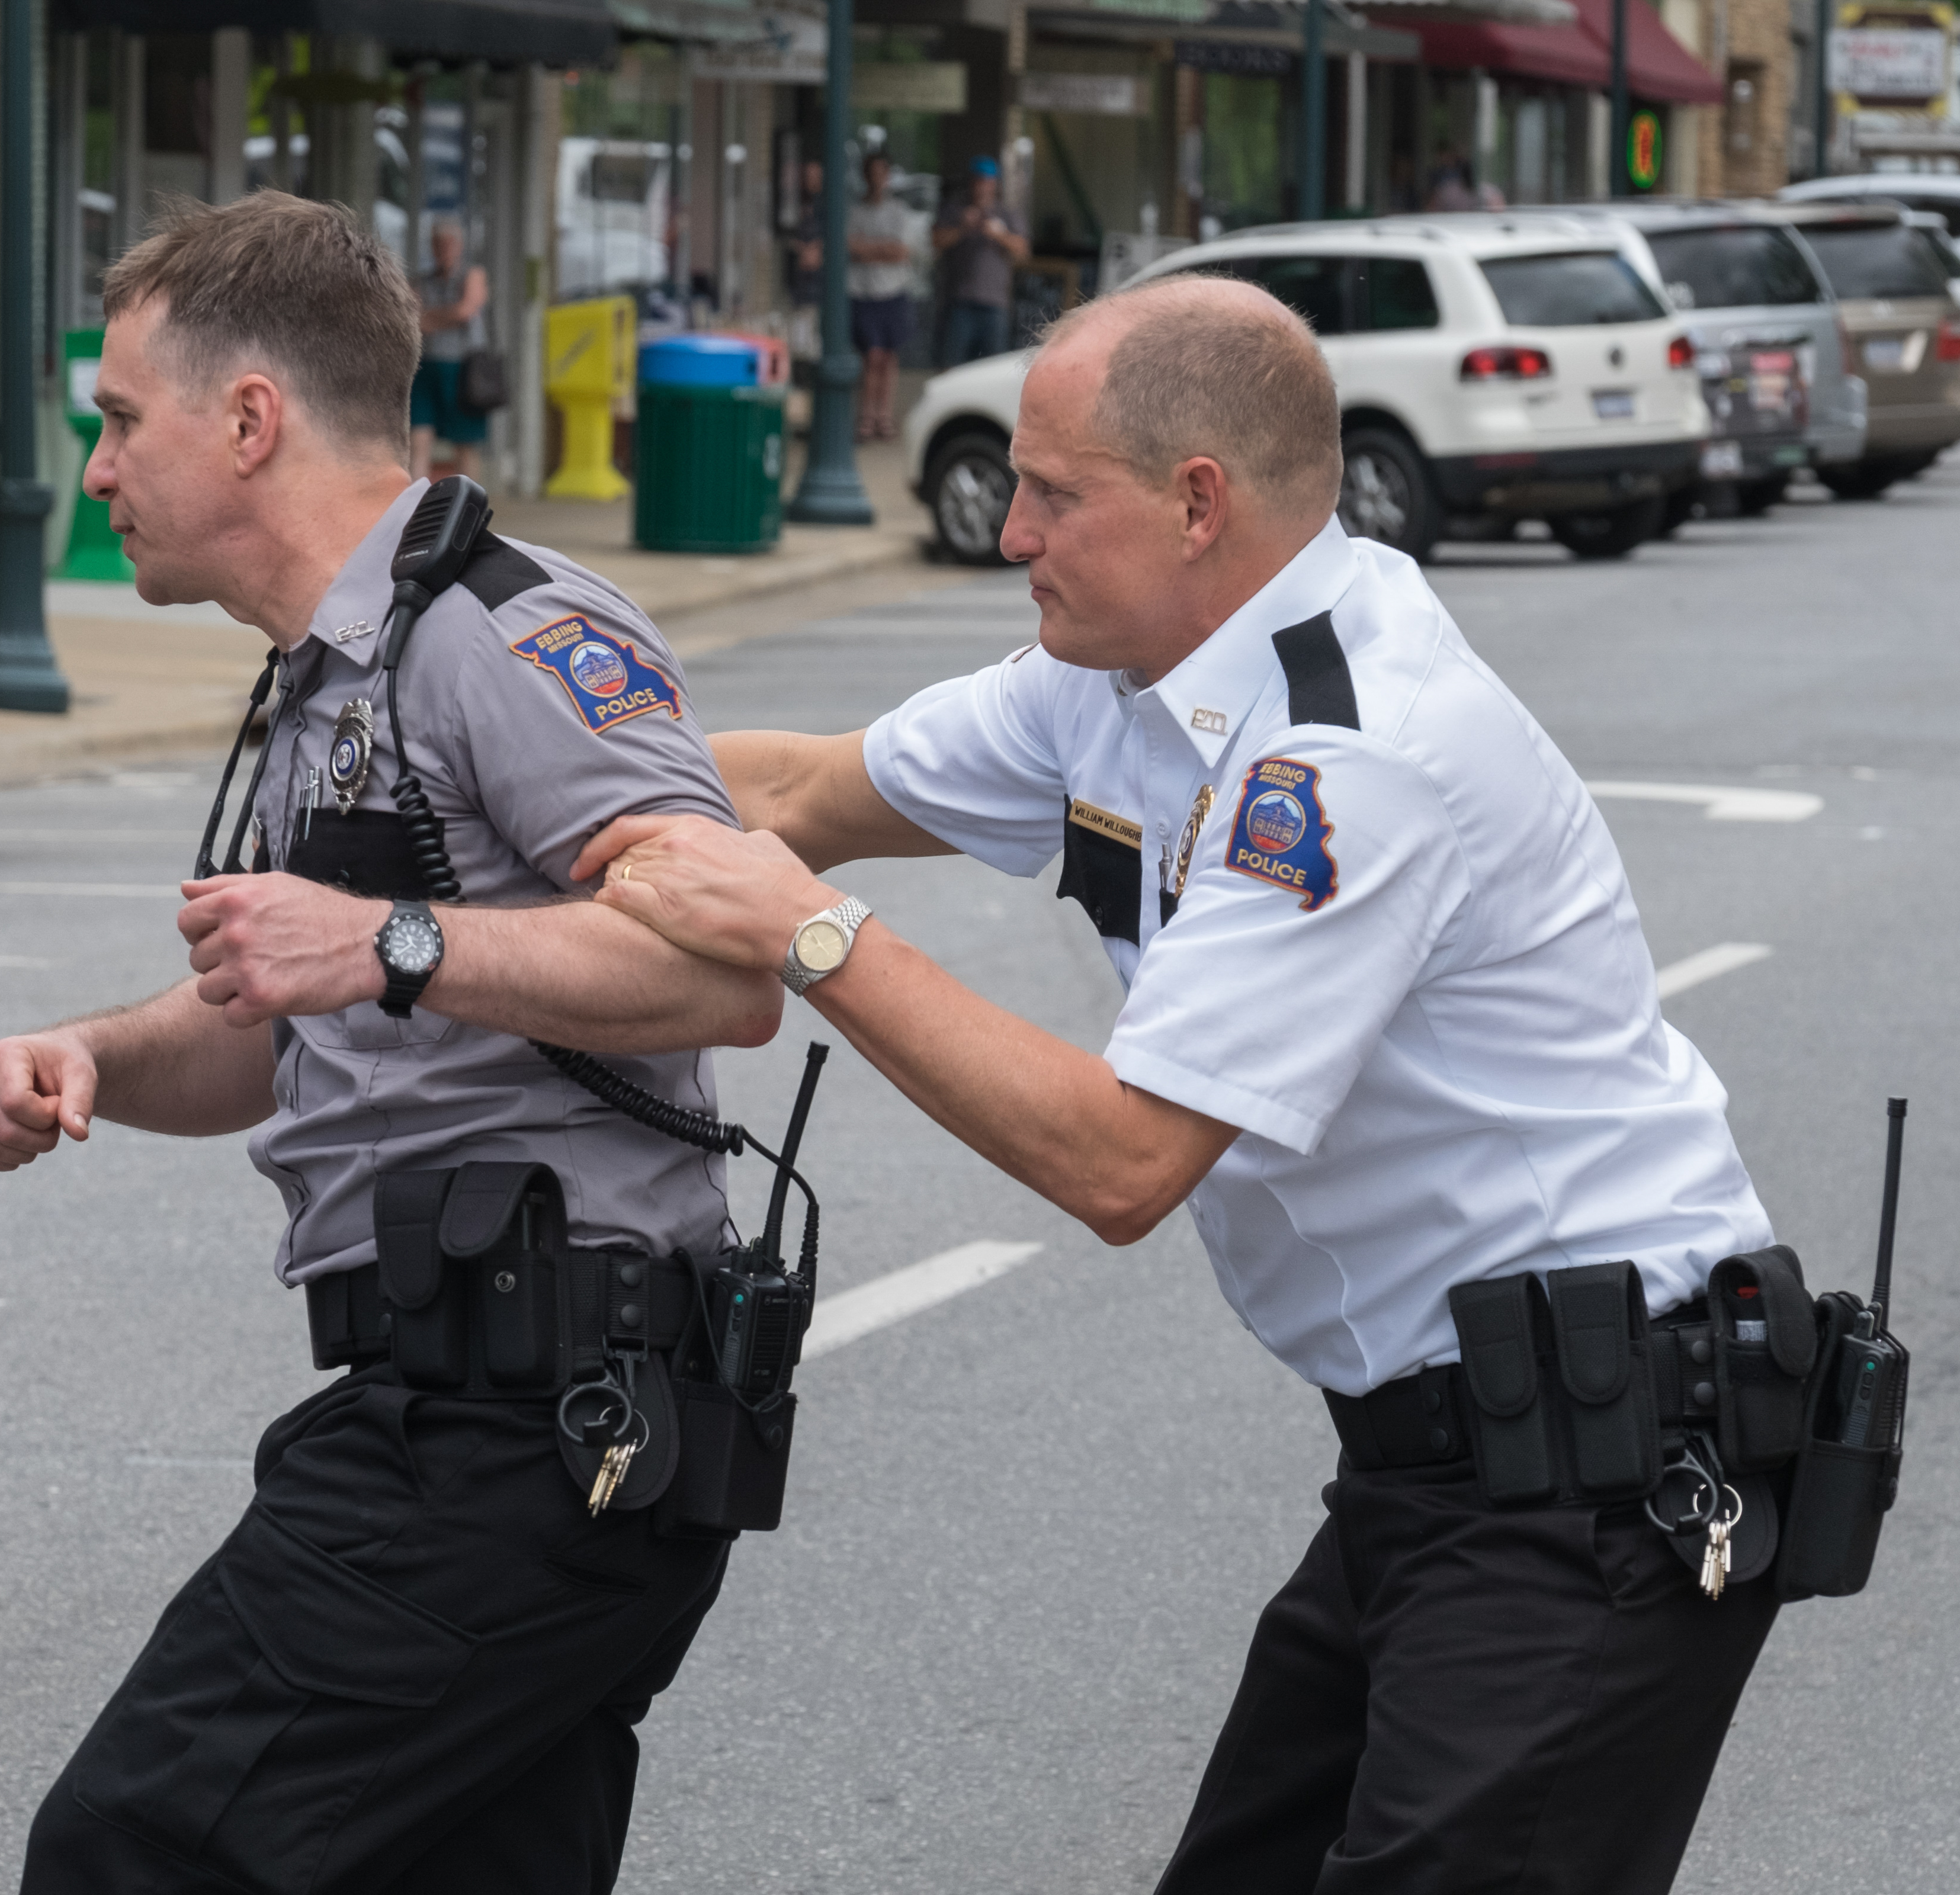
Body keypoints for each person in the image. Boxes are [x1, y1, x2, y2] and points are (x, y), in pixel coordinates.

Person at [572, 275, 1783, 1894]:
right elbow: (797, 787)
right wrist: (487, 774)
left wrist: (809, 934)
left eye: (1053, 495)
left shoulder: (1352, 753)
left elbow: (1127, 1162)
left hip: (1599, 1483)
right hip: (1445, 1467)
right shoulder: (1120, 676)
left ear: (1197, 502)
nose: (1012, 534)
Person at [0, 191, 784, 1895]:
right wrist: (99, 1054)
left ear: (248, 419)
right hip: (478, 1411)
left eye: (118, 419)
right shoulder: (335, 670)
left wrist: (393, 942)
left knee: (136, 1848)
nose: (96, 469)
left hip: (531, 1434)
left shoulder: (508, 628)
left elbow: (727, 975)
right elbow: (291, 1024)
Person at [929, 156, 1030, 371]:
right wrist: (963, 227)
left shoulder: (1007, 214)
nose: (982, 187)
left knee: (991, 370)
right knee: (953, 368)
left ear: (995, 185)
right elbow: (936, 242)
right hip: (960, 303)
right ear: (971, 183)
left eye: (987, 182)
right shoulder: (955, 210)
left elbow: (1023, 252)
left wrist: (998, 235)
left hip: (995, 306)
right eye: (977, 181)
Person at [408, 217, 489, 481]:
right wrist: (446, 316)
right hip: (427, 367)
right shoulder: (423, 281)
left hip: (462, 370)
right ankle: (416, 506)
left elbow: (466, 310)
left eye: (449, 244)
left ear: (460, 246)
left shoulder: (473, 274)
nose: (444, 249)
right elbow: (413, 319)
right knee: (419, 439)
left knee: (464, 444)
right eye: (438, 244)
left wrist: (432, 318)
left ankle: (468, 507)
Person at [846, 150, 919, 439]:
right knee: (871, 356)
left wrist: (870, 250)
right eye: (872, 174)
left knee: (888, 358)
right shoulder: (855, 212)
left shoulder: (899, 211)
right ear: (866, 177)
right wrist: (882, 250)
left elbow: (901, 252)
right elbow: (851, 247)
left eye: (881, 174)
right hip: (863, 293)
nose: (877, 180)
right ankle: (866, 417)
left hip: (893, 292)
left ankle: (884, 418)